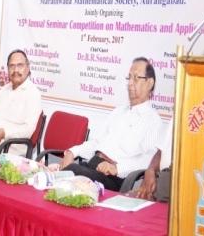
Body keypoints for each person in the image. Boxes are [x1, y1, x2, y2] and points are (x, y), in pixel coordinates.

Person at [59, 57, 163, 191]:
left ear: (150, 83)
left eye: (136, 78)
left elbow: (148, 159)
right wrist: (73, 152)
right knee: (57, 173)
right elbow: (97, 142)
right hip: (93, 164)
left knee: (70, 172)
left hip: (114, 178)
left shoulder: (153, 120)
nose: (130, 83)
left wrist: (117, 168)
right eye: (129, 78)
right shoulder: (118, 112)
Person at [135, 119, 173, 202]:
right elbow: (161, 150)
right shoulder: (176, 116)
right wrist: (150, 169)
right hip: (161, 176)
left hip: (174, 179)